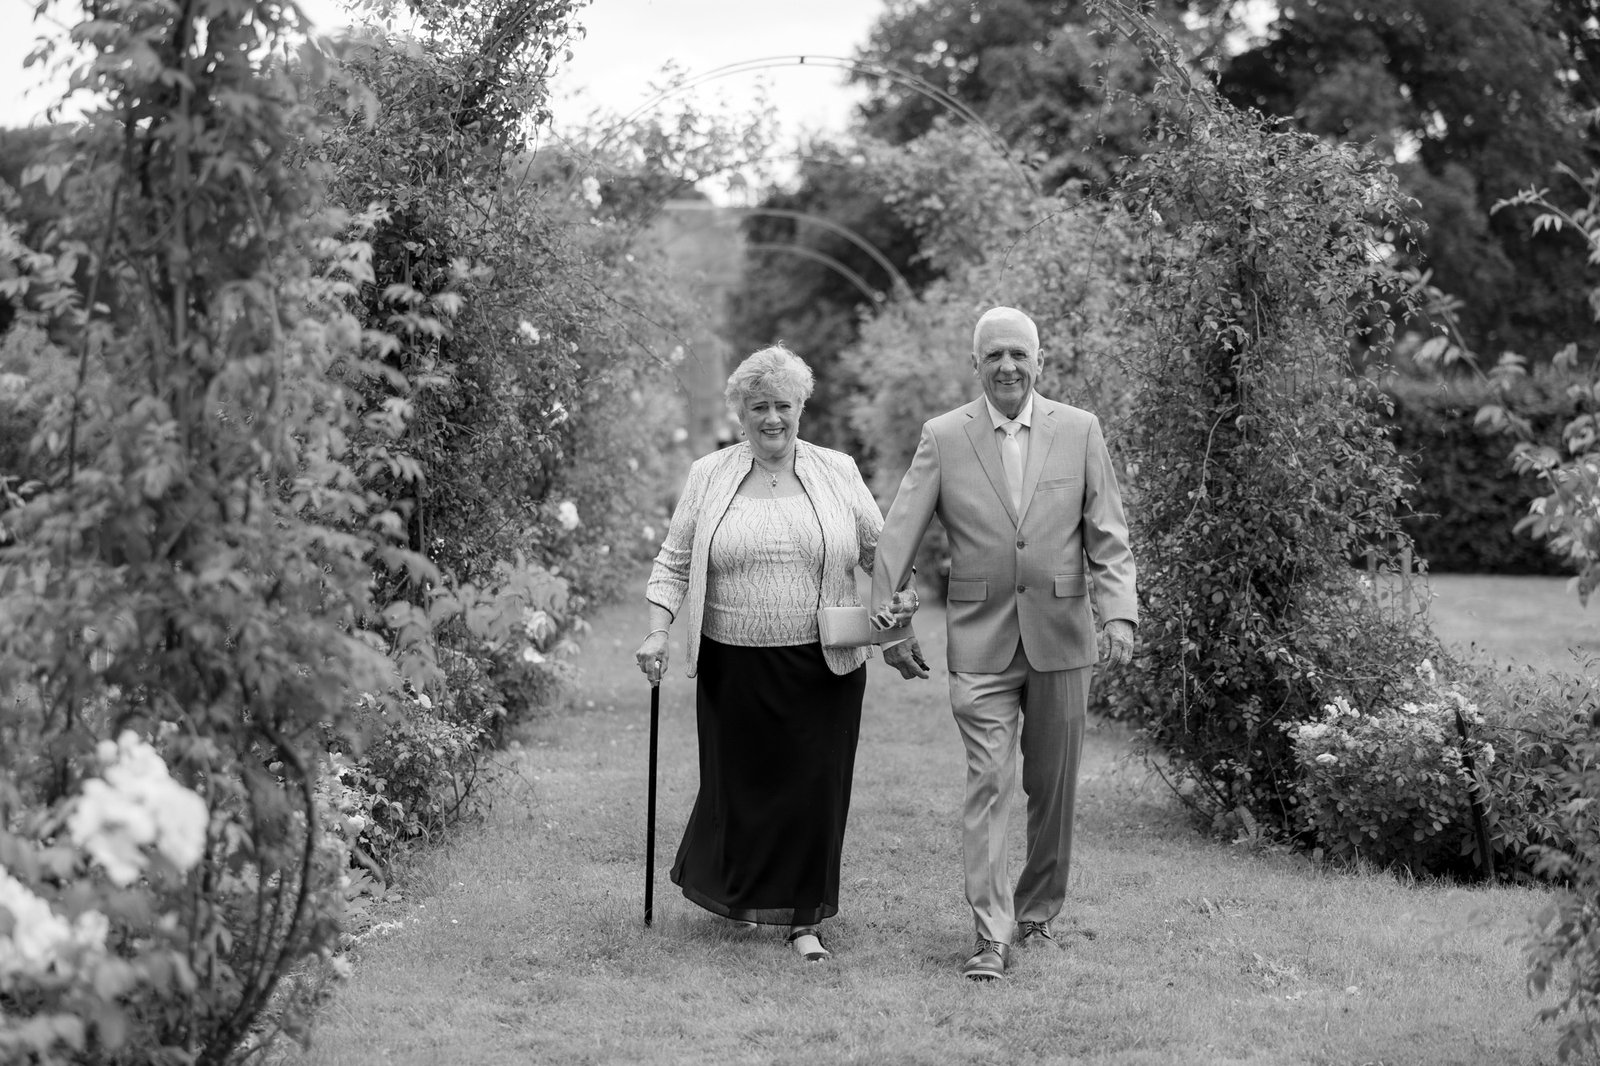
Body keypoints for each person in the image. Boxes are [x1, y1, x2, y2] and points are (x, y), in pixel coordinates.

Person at [871, 306, 1137, 981]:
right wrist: (892, 627)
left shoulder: (1079, 432)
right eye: (994, 356)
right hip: (980, 642)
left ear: (1040, 361)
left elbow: (1106, 534)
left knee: (1052, 788)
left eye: (1019, 354)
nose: (1008, 367)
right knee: (989, 781)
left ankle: (1039, 912)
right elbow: (897, 537)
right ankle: (990, 935)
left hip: (1062, 637)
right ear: (976, 364)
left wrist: (1120, 616)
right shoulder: (944, 437)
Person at [634, 344, 916, 963]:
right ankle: (746, 893)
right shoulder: (709, 475)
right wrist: (658, 630)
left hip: (823, 665)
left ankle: (803, 918)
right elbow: (673, 562)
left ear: (801, 408)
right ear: (739, 411)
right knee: (742, 791)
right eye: (758, 406)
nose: (772, 418)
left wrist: (897, 619)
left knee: (814, 789)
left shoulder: (837, 470)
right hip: (733, 664)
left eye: (782, 405)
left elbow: (884, 553)